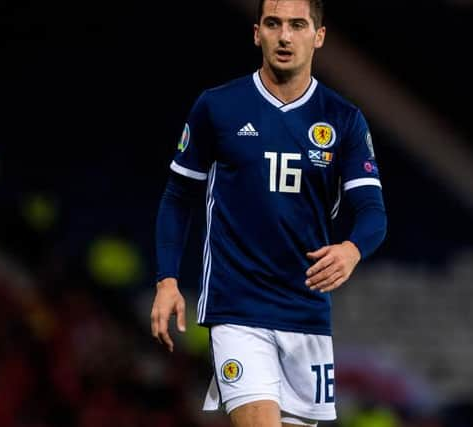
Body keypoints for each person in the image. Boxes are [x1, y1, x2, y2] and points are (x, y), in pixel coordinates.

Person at [150, 0, 387, 426]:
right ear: (256, 32)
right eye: (273, 24)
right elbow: (177, 195)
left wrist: (352, 249)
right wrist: (167, 279)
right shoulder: (217, 107)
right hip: (237, 310)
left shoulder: (344, 120)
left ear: (319, 36)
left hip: (307, 313)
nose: (284, 36)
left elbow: (372, 211)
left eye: (298, 25)